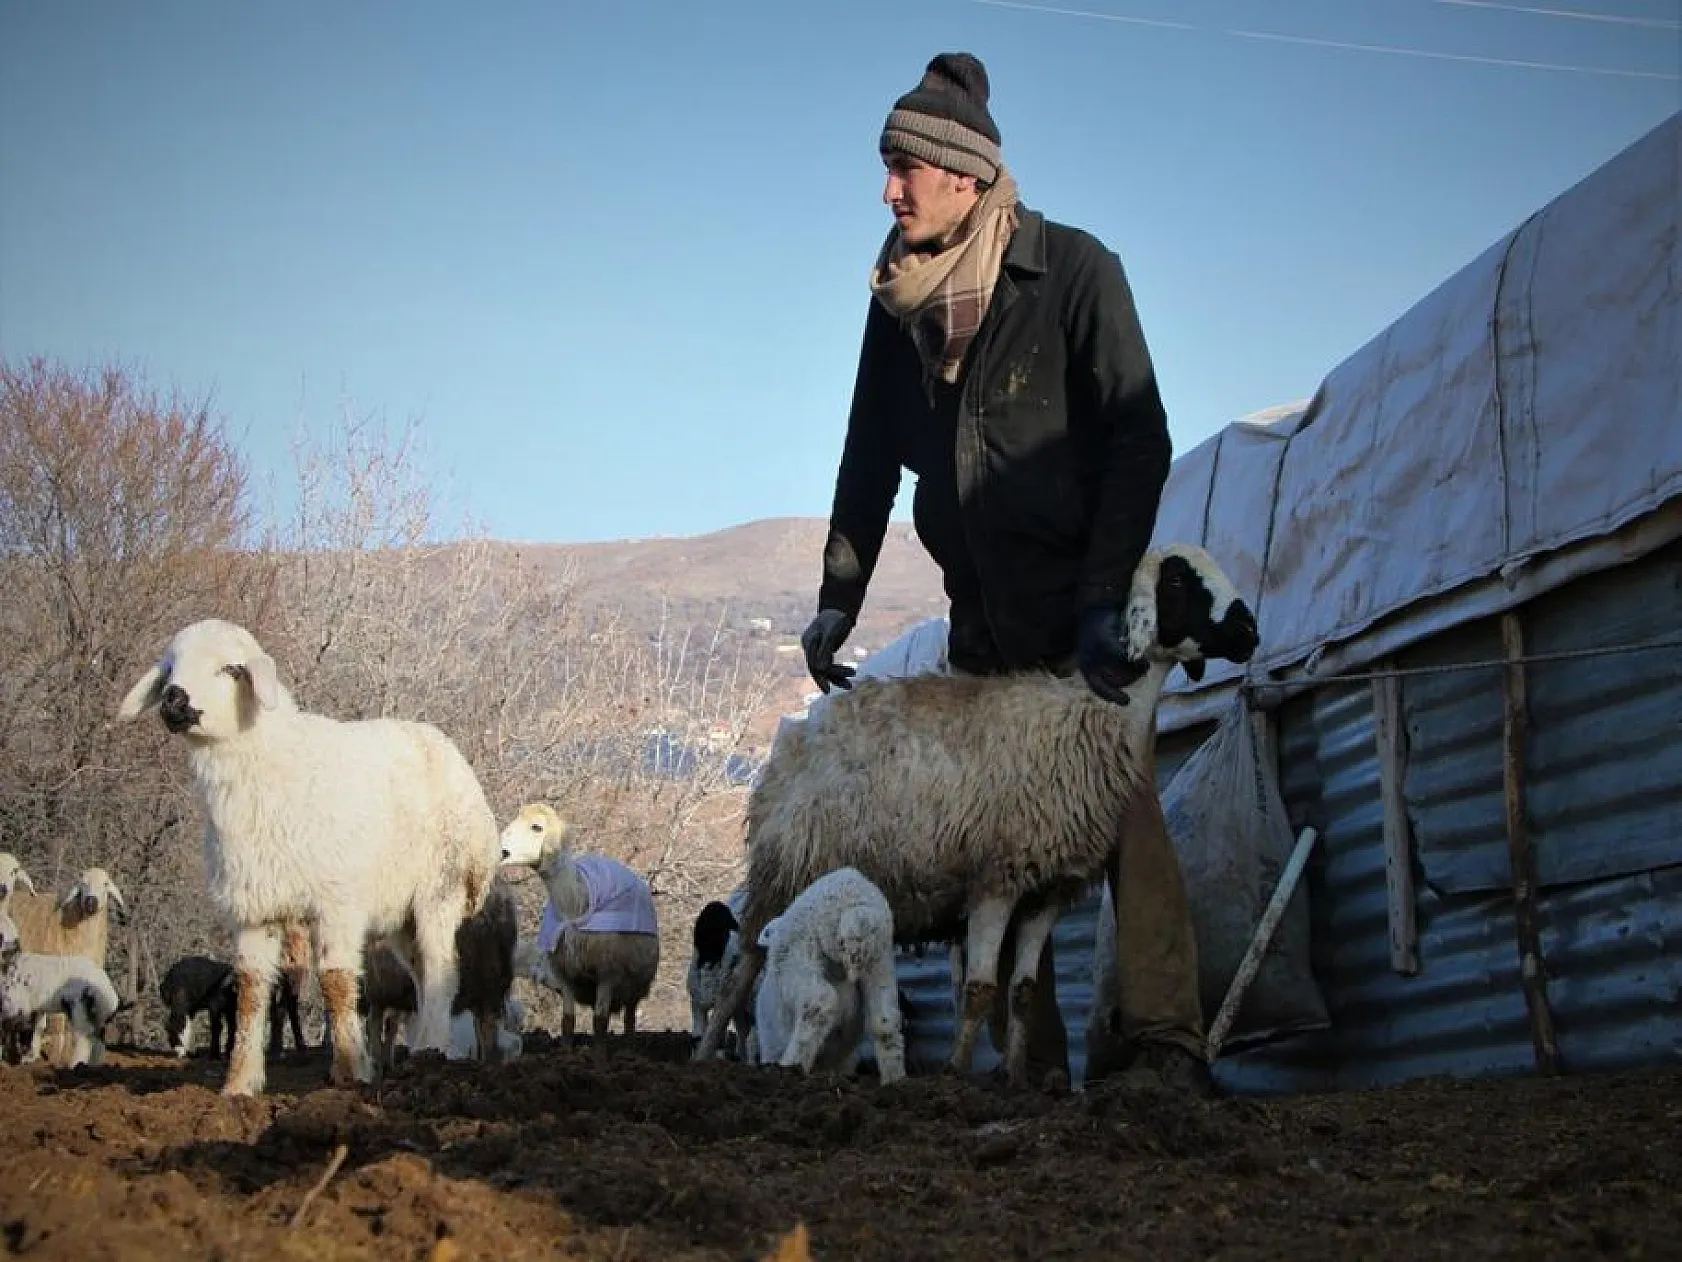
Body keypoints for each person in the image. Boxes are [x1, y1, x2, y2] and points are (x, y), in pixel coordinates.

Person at [799, 51, 1211, 1095]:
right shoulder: (898, 308)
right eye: (884, 167)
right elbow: (865, 456)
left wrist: (1100, 599)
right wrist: (835, 598)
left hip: (1080, 608)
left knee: (1116, 813)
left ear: (965, 176)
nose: (888, 189)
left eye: (904, 167)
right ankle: (1031, 1069)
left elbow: (1137, 438)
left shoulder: (1070, 273)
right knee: (994, 849)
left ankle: (1160, 1045)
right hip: (980, 613)